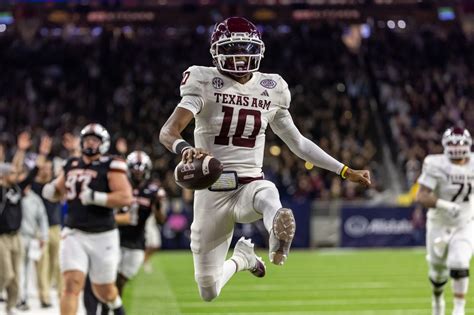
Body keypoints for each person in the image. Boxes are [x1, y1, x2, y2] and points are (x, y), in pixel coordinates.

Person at [159, 16, 371, 302]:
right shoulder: (203, 79)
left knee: (268, 193)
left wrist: (344, 170)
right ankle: (243, 259)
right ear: (216, 52)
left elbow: (298, 143)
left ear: (257, 49)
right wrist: (185, 149)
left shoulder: (272, 87)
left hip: (249, 182)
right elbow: (168, 131)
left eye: (246, 48)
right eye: (233, 49)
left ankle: (277, 234)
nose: (241, 56)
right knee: (207, 290)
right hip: (212, 189)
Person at [42, 123, 133, 315]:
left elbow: (126, 197)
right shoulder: (71, 164)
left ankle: (116, 306)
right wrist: (52, 189)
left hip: (103, 235)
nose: (90, 143)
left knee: (105, 290)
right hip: (74, 232)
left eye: (94, 140)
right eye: (87, 139)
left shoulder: (112, 164)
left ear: (104, 144)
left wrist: (96, 197)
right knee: (71, 284)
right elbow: (56, 190)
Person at [416, 127, 474, 315]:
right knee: (437, 270)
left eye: (460, 144)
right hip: (439, 223)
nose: (457, 148)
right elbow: (422, 196)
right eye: (453, 144)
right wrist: (445, 205)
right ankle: (437, 301)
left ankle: (459, 310)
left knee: (459, 261)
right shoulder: (435, 164)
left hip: (464, 223)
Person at [0, 132, 45, 315]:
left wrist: (41, 153)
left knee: (16, 276)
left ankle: (10, 307)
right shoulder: (1, 190)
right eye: (11, 173)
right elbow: (13, 167)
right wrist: (19, 151)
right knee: (6, 273)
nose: (16, 174)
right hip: (1, 237)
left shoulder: (17, 188)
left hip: (16, 236)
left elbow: (32, 173)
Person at [31, 135, 62, 308]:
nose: (46, 171)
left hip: (56, 227)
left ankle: (60, 293)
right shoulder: (35, 186)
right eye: (44, 168)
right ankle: (44, 296)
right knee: (42, 263)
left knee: (57, 263)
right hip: (39, 230)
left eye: (49, 168)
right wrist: (42, 153)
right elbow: (33, 172)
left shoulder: (55, 184)